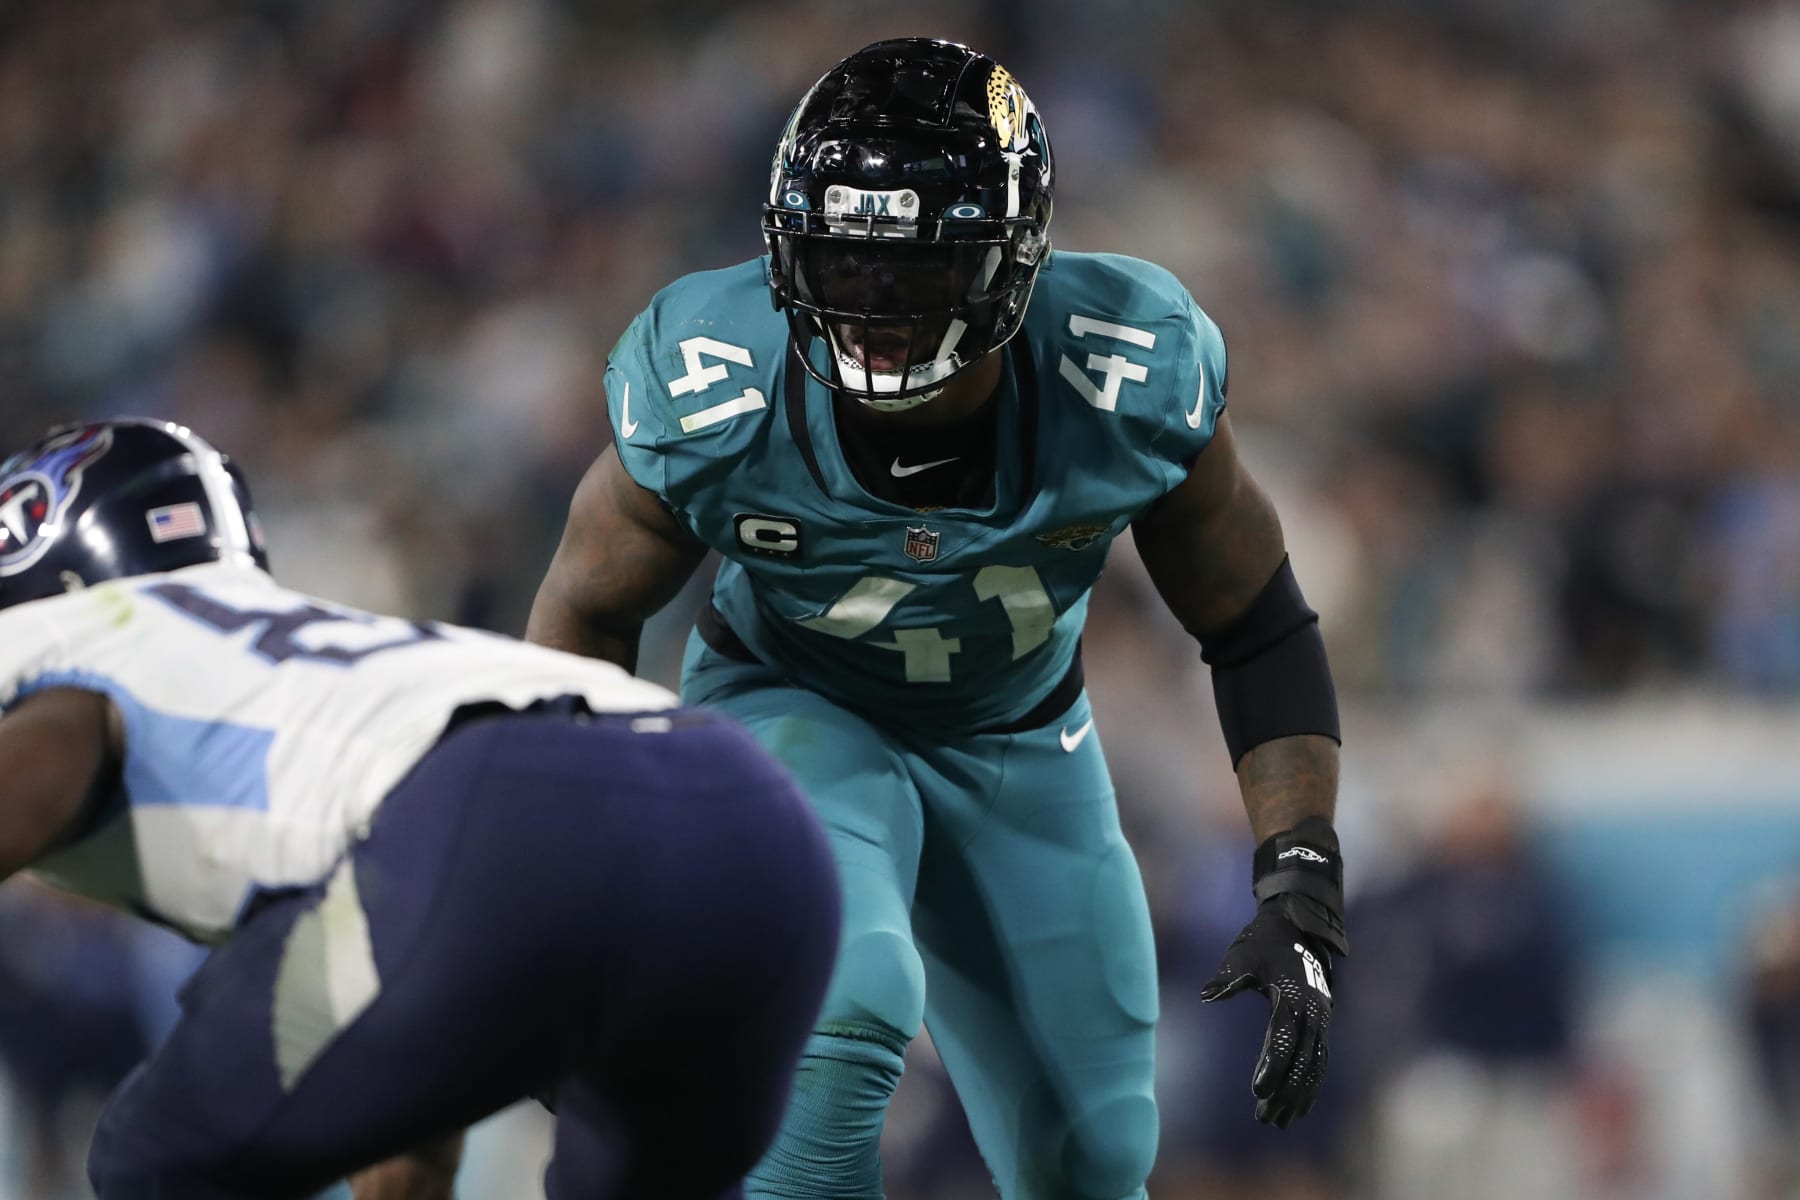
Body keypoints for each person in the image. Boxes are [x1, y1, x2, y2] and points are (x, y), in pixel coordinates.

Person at [528, 37, 1348, 1200]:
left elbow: (1257, 622)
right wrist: (568, 883)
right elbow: (585, 608)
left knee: (1094, 1150)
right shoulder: (717, 383)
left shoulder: (1123, 371)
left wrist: (1301, 874)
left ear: (1013, 258)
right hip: (786, 701)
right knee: (842, 1007)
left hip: (1018, 736)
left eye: (912, 268)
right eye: (843, 259)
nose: (870, 305)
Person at [0, 418, 841, 1200]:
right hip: (750, 821)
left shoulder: (70, 635)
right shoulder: (278, 649)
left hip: (487, 823)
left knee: (154, 1157)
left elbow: (64, 739)